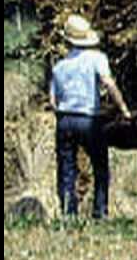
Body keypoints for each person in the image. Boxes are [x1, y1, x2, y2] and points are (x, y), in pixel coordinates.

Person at [49, 14, 131, 219]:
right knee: (100, 166)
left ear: (68, 40)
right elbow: (108, 83)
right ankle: (100, 211)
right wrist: (123, 108)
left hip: (64, 120)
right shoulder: (97, 58)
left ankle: (69, 215)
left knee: (67, 169)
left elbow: (53, 101)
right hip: (88, 120)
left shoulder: (59, 66)